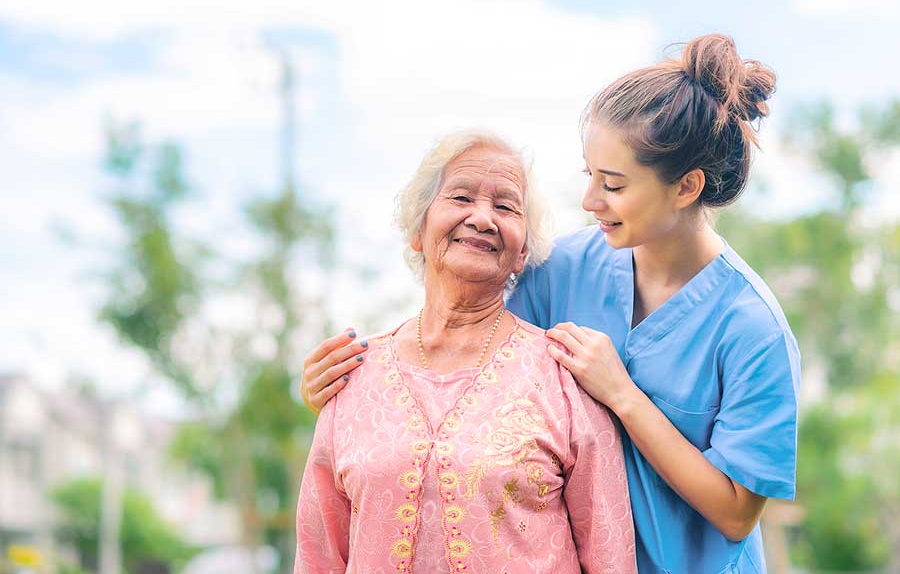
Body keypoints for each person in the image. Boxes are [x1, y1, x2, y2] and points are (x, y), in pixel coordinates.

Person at [302, 34, 800, 574]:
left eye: (612, 184)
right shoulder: (561, 269)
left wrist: (624, 396)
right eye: (590, 175)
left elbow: (736, 514)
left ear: (687, 187)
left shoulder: (753, 328)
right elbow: (469, 351)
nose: (589, 202)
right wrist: (350, 400)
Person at [294, 130, 637, 573]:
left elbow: (611, 558)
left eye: (505, 207)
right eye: (460, 197)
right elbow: (318, 555)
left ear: (521, 253)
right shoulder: (353, 377)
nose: (482, 218)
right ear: (418, 230)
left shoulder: (564, 378)